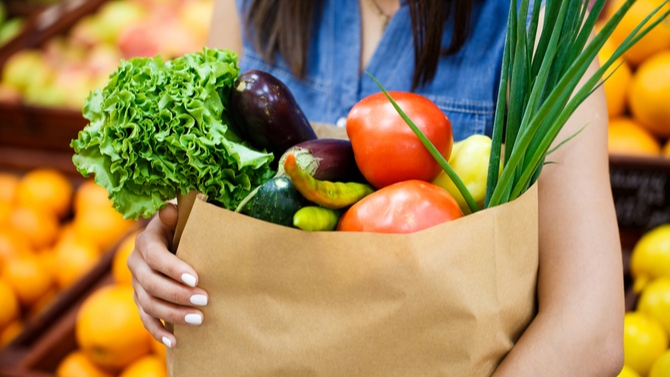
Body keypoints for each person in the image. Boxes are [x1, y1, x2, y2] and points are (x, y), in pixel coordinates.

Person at [127, 0, 625, 375]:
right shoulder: (253, 6)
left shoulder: (539, 19)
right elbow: (209, 204)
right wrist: (163, 249)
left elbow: (589, 329)